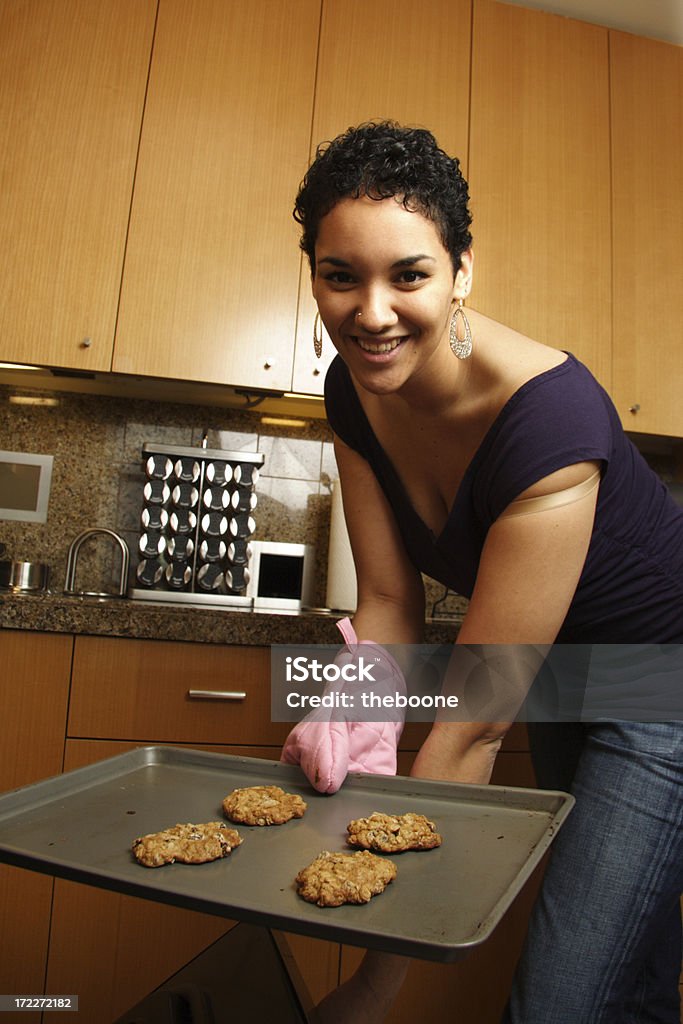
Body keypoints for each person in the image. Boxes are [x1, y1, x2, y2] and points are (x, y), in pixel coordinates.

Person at [281, 121, 683, 1023]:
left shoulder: (550, 427)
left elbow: (470, 729)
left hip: (664, 681)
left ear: (462, 270)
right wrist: (355, 697)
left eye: (409, 275)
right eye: (340, 275)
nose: (371, 312)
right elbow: (388, 602)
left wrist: (371, 989)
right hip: (567, 677)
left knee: (560, 998)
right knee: (635, 972)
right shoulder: (352, 388)